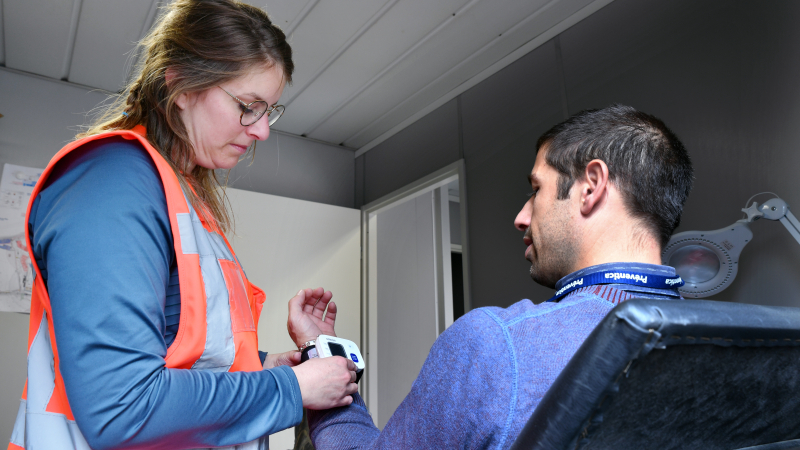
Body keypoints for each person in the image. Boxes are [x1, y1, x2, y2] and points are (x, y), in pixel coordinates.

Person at [8, 2, 357, 449]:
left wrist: (263, 366)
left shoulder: (184, 196)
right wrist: (290, 389)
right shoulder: (112, 182)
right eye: (248, 106)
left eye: (270, 110)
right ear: (180, 85)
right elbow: (123, 406)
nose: (262, 131)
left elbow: (182, 353)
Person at [287, 104, 694, 449]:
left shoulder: (497, 345)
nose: (521, 217)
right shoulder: (722, 347)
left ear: (591, 186)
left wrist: (320, 354)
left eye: (536, 189)